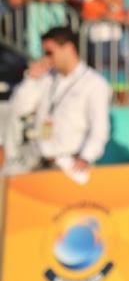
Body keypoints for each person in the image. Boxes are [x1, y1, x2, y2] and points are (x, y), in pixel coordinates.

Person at [10, 27, 111, 176]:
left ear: (69, 48)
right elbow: (19, 108)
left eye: (50, 53)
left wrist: (86, 157)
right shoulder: (46, 78)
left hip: (70, 165)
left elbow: (100, 128)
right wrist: (31, 79)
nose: (47, 58)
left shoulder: (94, 83)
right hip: (38, 161)